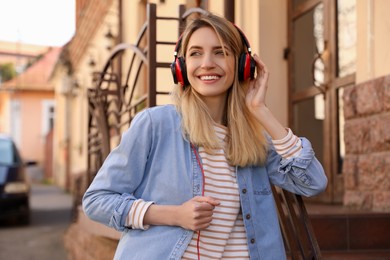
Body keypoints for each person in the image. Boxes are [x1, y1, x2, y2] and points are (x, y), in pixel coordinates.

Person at [82, 11, 327, 260]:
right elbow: (97, 200)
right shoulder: (155, 125)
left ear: (243, 66)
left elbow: (312, 182)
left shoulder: (254, 140)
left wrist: (261, 111)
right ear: (181, 67)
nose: (207, 63)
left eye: (220, 52)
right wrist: (174, 214)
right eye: (195, 53)